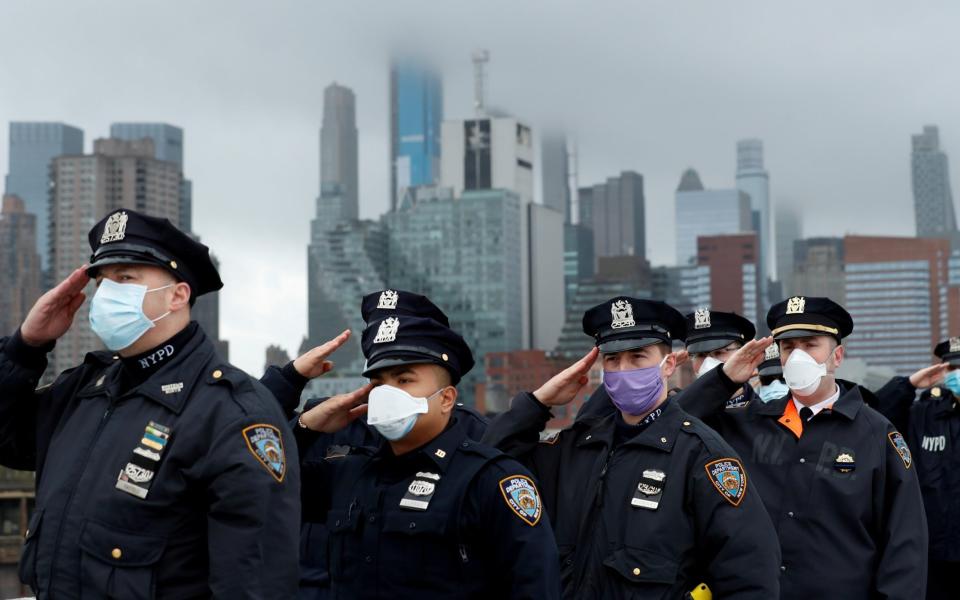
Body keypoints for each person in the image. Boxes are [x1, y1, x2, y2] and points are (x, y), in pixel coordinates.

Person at [0, 209, 299, 599]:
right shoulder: (84, 389)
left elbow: (253, 583)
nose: (106, 294)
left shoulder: (231, 414)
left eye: (125, 278)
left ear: (177, 295)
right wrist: (26, 346)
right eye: (102, 281)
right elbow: (8, 440)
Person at [482, 296, 781, 599]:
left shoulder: (702, 456)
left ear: (667, 365)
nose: (623, 370)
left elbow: (749, 575)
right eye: (613, 359)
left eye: (637, 357)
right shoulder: (574, 448)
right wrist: (538, 402)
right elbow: (488, 469)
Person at [292, 290, 559, 599]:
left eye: (404, 380)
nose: (387, 393)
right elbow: (259, 482)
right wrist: (305, 427)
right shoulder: (347, 475)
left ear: (446, 399)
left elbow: (535, 585)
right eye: (378, 384)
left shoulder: (491, 481)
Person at [683, 295, 928, 599]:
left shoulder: (876, 435)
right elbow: (673, 428)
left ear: (837, 356)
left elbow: (905, 543)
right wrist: (723, 380)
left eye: (810, 345)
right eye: (789, 347)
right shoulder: (747, 424)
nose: (798, 357)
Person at [259, 291, 488, 600]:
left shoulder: (468, 431)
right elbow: (246, 460)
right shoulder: (329, 418)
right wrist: (292, 385)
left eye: (405, 375)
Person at [868, 337, 959, 600]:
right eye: (952, 369)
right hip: (933, 554)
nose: (958, 374)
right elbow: (875, 416)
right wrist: (908, 385)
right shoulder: (923, 414)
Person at [576, 308, 757, 419]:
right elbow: (590, 425)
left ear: (744, 353)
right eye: (700, 355)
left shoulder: (770, 414)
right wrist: (620, 383)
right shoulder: (674, 406)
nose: (708, 362)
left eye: (719, 352)